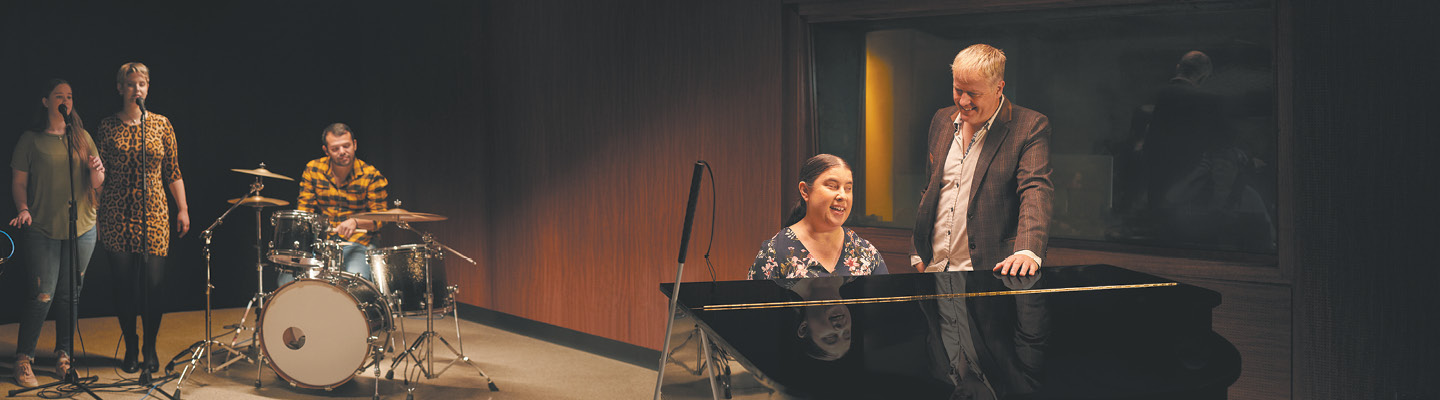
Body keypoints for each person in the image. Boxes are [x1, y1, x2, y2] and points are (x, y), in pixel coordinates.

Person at [911, 44, 1052, 277]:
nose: (963, 101)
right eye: (958, 90)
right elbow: (931, 189)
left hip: (989, 273)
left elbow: (1035, 189)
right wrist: (916, 250)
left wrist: (1028, 250)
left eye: (974, 94)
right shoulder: (940, 119)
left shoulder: (1029, 126)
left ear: (999, 88)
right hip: (934, 269)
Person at [9, 79, 105, 387]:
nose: (66, 100)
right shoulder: (31, 139)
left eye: (70, 96)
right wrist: (23, 208)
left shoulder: (81, 137)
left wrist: (98, 172)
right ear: (45, 101)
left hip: (83, 227)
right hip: (43, 228)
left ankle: (65, 357)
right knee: (43, 295)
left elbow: (96, 182)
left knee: (70, 297)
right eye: (59, 96)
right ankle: (24, 360)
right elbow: (19, 182)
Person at [96, 62, 190, 374]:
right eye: (131, 83)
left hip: (155, 212)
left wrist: (183, 208)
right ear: (120, 88)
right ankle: (131, 345)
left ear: (148, 88)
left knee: (154, 284)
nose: (137, 89)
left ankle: (150, 346)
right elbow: (99, 175)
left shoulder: (161, 124)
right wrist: (95, 214)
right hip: (116, 210)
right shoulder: (107, 126)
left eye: (142, 84)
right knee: (123, 286)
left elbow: (173, 171)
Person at [749, 154, 888, 279]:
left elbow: (885, 305)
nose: (842, 196)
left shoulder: (865, 252)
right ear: (805, 191)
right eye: (832, 186)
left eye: (848, 188)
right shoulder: (774, 253)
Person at [295, 123, 388, 281]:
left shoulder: (371, 175)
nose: (342, 152)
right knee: (291, 280)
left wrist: (355, 222)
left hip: (358, 242)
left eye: (346, 146)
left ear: (355, 145)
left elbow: (381, 218)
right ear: (326, 150)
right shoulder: (313, 169)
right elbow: (304, 210)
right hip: (322, 244)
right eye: (335, 148)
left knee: (355, 280)